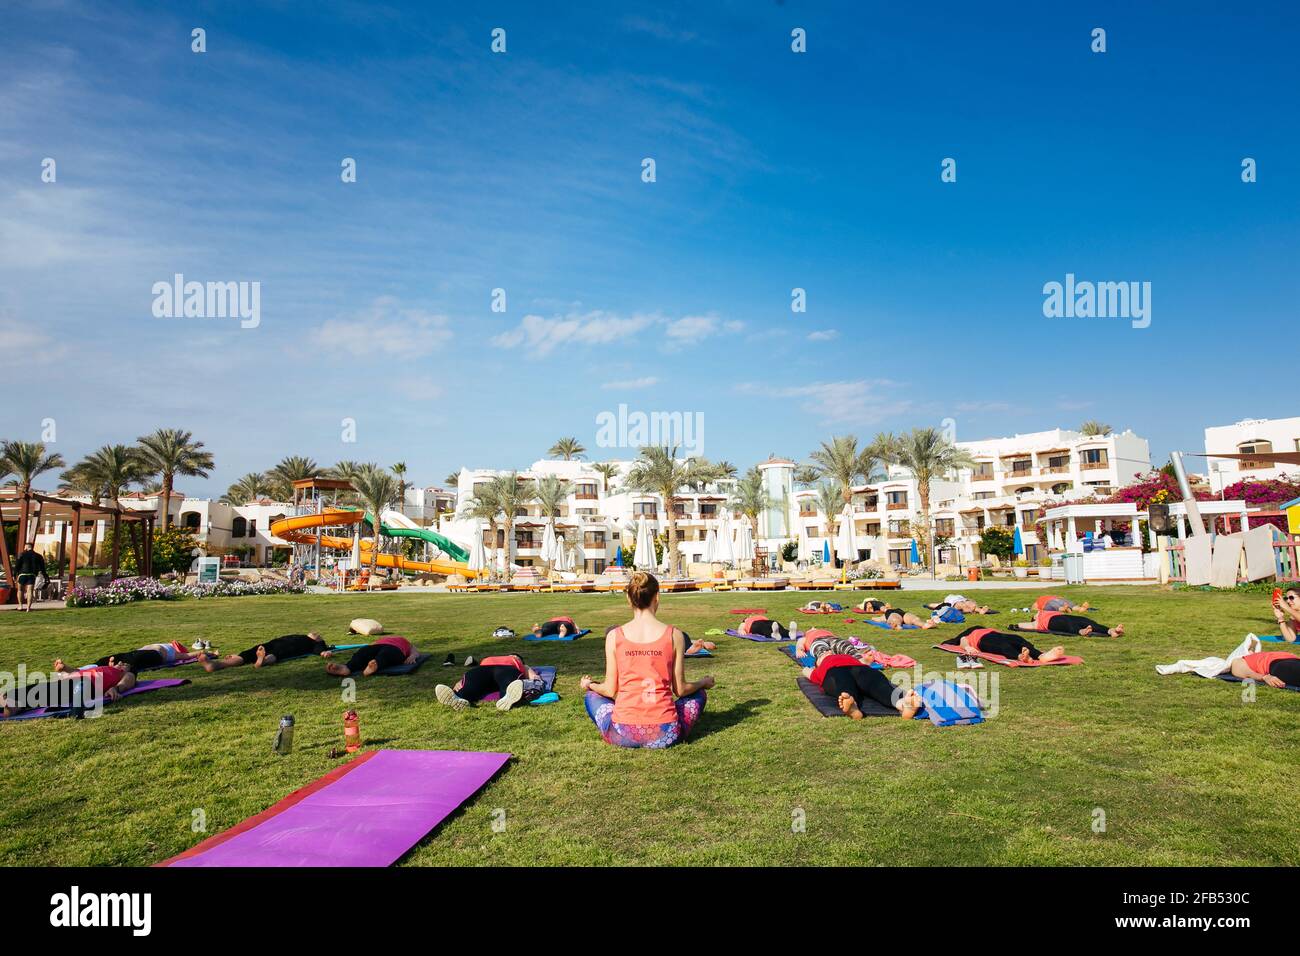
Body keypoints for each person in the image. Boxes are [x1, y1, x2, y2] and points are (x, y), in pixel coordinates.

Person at [581, 571, 713, 749]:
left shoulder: (614, 636)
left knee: (592, 696)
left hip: (622, 733)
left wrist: (590, 685)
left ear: (629, 599)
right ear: (657, 597)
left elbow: (610, 689)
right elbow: (680, 690)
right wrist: (702, 683)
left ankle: (623, 716)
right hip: (666, 734)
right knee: (699, 694)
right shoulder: (675, 635)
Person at [802, 647, 921, 720]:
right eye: (821, 655)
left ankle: (902, 705)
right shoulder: (820, 668)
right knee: (843, 683)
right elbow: (806, 672)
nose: (826, 653)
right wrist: (810, 668)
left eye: (828, 652)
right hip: (834, 671)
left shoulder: (847, 656)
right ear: (817, 663)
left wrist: (867, 659)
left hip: (859, 668)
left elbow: (865, 661)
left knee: (877, 683)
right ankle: (852, 706)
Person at [1, 662, 136, 717]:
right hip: (70, 681)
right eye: (121, 662)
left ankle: (12, 705)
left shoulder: (124, 674)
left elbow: (128, 681)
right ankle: (9, 701)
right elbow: (77, 671)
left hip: (83, 685)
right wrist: (64, 668)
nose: (122, 663)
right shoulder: (100, 668)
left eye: (125, 664)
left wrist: (116, 688)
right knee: (39, 689)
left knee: (43, 692)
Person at [435, 653, 546, 711]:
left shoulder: (519, 663)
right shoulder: (513, 661)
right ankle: (459, 697)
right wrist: (460, 682)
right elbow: (535, 677)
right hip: (486, 670)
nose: (513, 655)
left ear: (519, 660)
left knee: (506, 683)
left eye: (516, 656)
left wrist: (535, 680)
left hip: (500, 669)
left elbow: (533, 676)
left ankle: (506, 698)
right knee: (471, 684)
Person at [199, 632, 331, 671]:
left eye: (317, 635)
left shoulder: (314, 643)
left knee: (276, 655)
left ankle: (261, 661)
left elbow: (319, 650)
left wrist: (323, 652)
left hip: (287, 648)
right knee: (247, 654)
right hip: (271, 644)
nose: (315, 634)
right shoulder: (306, 638)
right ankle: (214, 665)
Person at [53, 640, 192, 675]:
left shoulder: (171, 650)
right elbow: (188, 655)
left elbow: (188, 655)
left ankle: (74, 670)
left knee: (123, 662)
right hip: (143, 654)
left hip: (146, 654)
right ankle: (74, 670)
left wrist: (206, 654)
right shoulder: (170, 649)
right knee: (110, 661)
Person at [944, 626, 1066, 664]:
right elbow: (962, 641)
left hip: (996, 634)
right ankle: (1020, 656)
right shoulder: (970, 635)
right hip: (982, 641)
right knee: (1002, 646)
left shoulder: (986, 629)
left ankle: (1041, 655)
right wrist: (967, 647)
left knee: (1018, 639)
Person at [325, 634, 421, 677]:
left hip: (395, 649)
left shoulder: (404, 641)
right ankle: (347, 668)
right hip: (377, 646)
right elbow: (370, 649)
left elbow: (415, 651)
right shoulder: (382, 639)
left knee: (385, 654)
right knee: (364, 650)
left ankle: (374, 665)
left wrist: (412, 656)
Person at [1016, 608, 1122, 638]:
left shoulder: (1043, 611)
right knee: (1066, 623)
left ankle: (1110, 630)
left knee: (1084, 620)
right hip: (1051, 622)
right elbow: (1025, 625)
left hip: (1061, 616)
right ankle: (1080, 631)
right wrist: (1016, 626)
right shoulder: (1037, 622)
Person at [1230, 649, 1300, 689]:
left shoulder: (1267, 653)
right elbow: (1244, 672)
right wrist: (1264, 677)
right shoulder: (1242, 659)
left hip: (1294, 660)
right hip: (1276, 664)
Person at [13, 543, 47, 612]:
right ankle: (28, 608)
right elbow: (42, 568)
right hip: (32, 575)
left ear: (26, 547)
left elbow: (17, 566)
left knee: (20, 590)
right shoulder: (38, 556)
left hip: (22, 574)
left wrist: (14, 575)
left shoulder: (22, 554)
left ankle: (20, 606)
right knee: (30, 592)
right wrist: (45, 576)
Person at [871, 607, 938, 630]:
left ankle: (897, 625)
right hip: (903, 614)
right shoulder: (887, 613)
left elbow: (878, 619)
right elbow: (878, 619)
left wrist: (874, 618)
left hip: (895, 614)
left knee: (895, 619)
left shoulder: (886, 613)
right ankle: (924, 624)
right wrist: (875, 618)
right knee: (915, 620)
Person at [923, 595, 994, 615]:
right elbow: (935, 606)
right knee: (968, 605)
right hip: (955, 600)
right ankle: (979, 610)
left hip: (957, 600)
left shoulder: (945, 602)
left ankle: (978, 610)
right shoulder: (946, 602)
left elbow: (935, 606)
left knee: (967, 605)